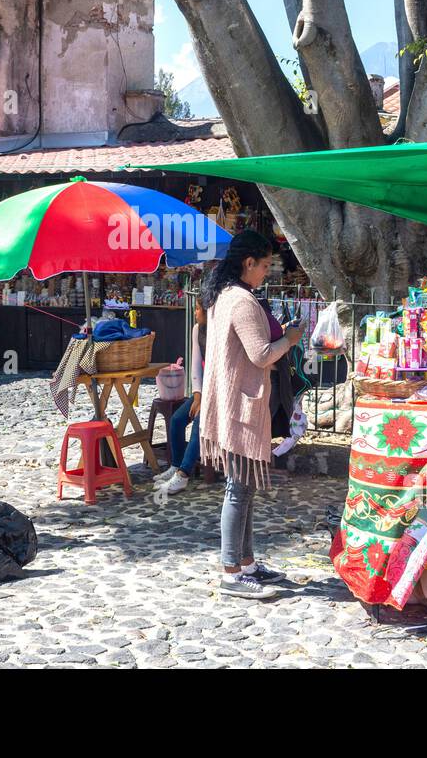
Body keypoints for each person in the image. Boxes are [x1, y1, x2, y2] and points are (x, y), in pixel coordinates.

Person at [200, 230, 304, 599]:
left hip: (230, 401)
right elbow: (261, 354)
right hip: (239, 406)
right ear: (248, 263)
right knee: (238, 490)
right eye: (263, 266)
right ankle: (232, 571)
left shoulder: (223, 295)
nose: (266, 273)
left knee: (242, 489)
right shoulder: (242, 300)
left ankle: (247, 564)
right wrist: (290, 339)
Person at [154, 300, 206, 495]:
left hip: (219, 393)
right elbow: (195, 366)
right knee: (177, 419)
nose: (195, 312)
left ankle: (183, 475)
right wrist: (198, 396)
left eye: (198, 309)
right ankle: (176, 465)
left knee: (199, 423)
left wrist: (204, 400)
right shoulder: (196, 330)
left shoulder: (218, 332)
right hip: (203, 391)